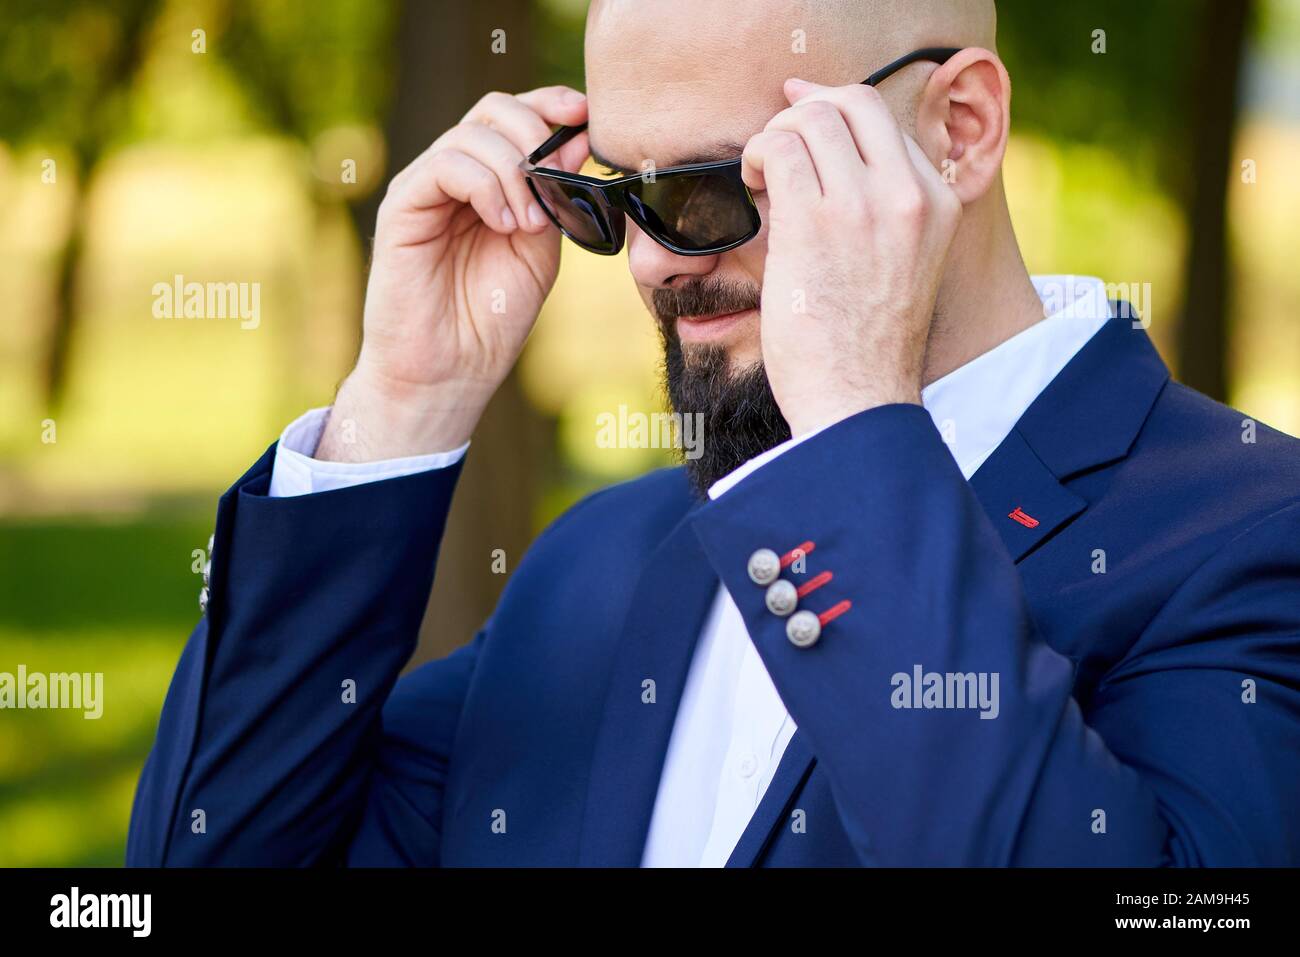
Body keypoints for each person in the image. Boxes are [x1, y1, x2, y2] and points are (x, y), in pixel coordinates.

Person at [127, 0, 1300, 866]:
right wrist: (401, 401)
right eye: (611, 198)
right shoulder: (601, 559)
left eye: (715, 191)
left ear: (958, 129)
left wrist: (853, 427)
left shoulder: (1249, 538)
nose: (651, 262)